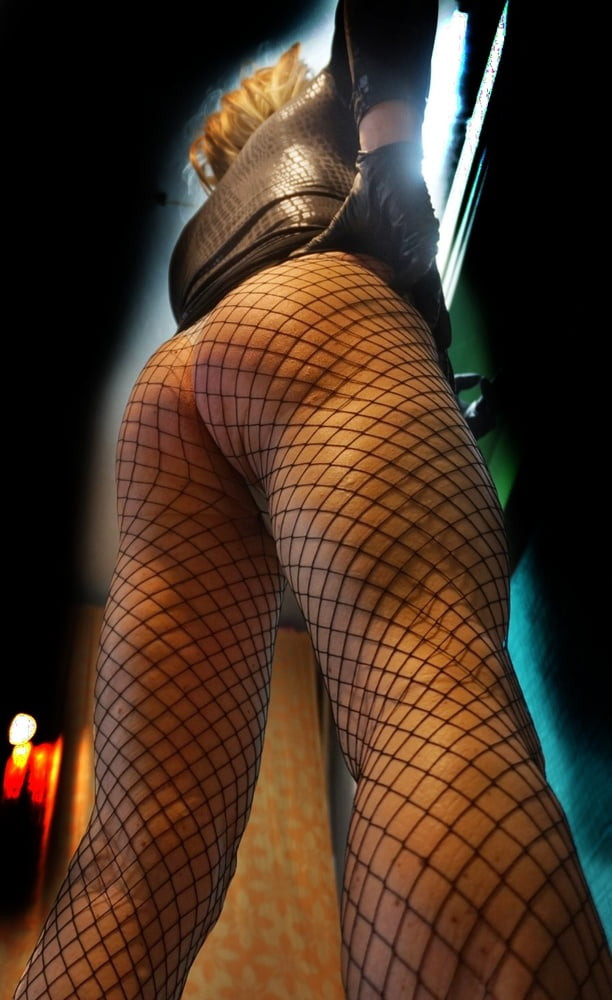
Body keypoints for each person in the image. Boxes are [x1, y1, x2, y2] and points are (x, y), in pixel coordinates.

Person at [15, 1, 612, 998]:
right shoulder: (330, 104)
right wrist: (395, 160)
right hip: (316, 318)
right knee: (425, 697)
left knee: (138, 860)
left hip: (172, 395)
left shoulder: (210, 226)